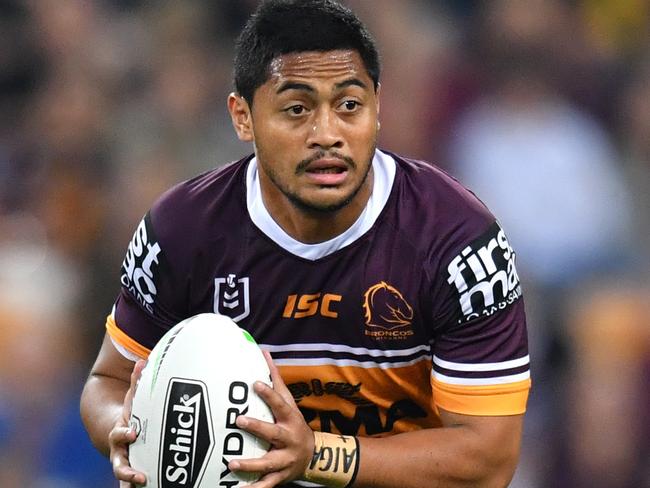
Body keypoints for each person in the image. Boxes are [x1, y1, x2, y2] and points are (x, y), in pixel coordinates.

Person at [80, 1, 531, 487]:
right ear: (243, 117)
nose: (327, 134)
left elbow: (489, 459)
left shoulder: (457, 241)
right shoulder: (181, 231)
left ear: (378, 107)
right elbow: (106, 384)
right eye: (297, 109)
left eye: (349, 106)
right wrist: (130, 430)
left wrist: (314, 453)